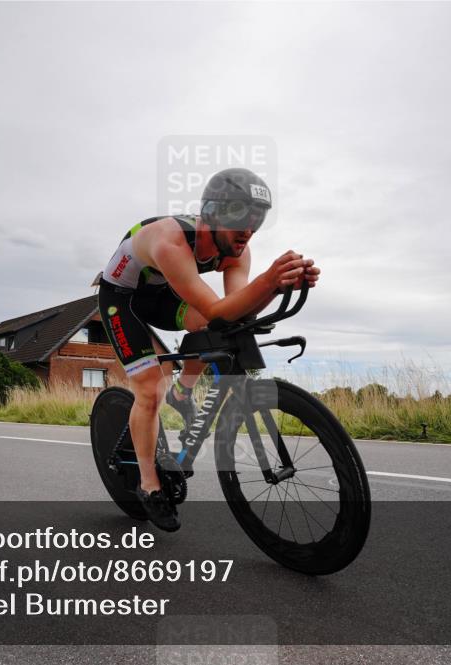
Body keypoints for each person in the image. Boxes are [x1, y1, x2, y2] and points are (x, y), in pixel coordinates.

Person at [97, 168, 320, 531]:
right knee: (151, 389)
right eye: (240, 218)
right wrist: (269, 280)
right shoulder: (170, 241)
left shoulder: (237, 251)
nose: (248, 229)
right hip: (122, 299)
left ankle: (183, 392)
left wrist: (277, 287)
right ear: (214, 214)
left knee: (217, 328)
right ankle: (149, 485)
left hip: (164, 293)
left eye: (257, 219)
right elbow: (219, 311)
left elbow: (236, 311)